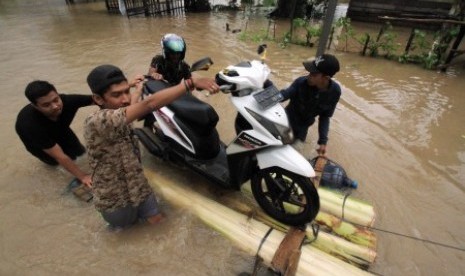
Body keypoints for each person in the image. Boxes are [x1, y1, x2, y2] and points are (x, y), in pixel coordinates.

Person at [84, 64, 219, 228]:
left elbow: (131, 107)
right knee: (126, 236)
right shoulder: (96, 122)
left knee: (160, 226)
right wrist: (189, 84)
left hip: (139, 186)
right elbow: (148, 105)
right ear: (98, 99)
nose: (125, 99)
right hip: (116, 200)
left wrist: (138, 89)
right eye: (116, 95)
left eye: (126, 91)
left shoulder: (121, 113)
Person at [15, 80, 94, 187]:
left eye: (56, 99)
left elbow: (99, 99)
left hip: (62, 131)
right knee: (57, 166)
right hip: (39, 143)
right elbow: (60, 157)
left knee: (80, 154)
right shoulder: (29, 125)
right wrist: (83, 177)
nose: (55, 106)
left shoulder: (67, 101)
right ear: (35, 106)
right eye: (46, 105)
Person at [280, 54, 341, 157]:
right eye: (309, 72)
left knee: (292, 157)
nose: (309, 76)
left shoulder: (335, 92)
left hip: (301, 130)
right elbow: (283, 95)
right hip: (284, 122)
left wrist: (323, 142)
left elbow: (325, 116)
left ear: (325, 78)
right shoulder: (301, 82)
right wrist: (262, 98)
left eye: (314, 74)